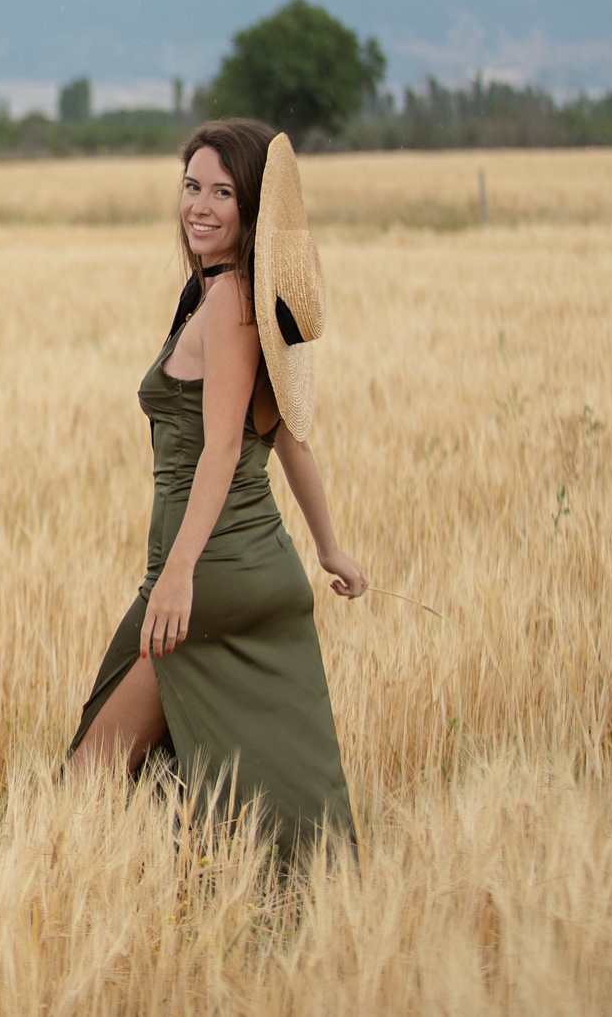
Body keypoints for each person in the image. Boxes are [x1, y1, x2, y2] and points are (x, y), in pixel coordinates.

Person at [62, 117, 366, 860]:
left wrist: (175, 576)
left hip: (207, 578)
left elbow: (226, 446)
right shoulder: (245, 302)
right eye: (191, 185)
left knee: (87, 781)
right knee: (231, 782)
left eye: (221, 192)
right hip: (261, 570)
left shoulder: (230, 302)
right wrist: (329, 547)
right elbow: (291, 434)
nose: (199, 205)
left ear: (251, 207)